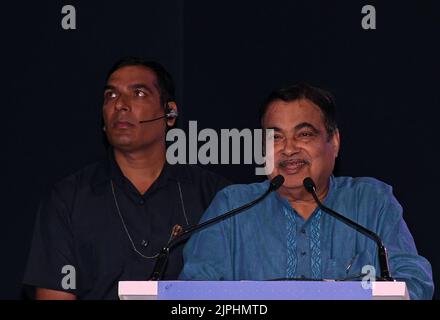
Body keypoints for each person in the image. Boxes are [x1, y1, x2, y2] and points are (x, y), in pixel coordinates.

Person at [179, 83, 434, 300]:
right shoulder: (231, 206)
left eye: (303, 134)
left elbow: (413, 281)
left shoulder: (370, 202)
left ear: (333, 142)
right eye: (275, 137)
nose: (288, 149)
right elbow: (194, 291)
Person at [23, 57, 230, 300]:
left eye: (139, 93)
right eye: (110, 96)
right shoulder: (69, 198)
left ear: (170, 113)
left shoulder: (215, 196)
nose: (120, 105)